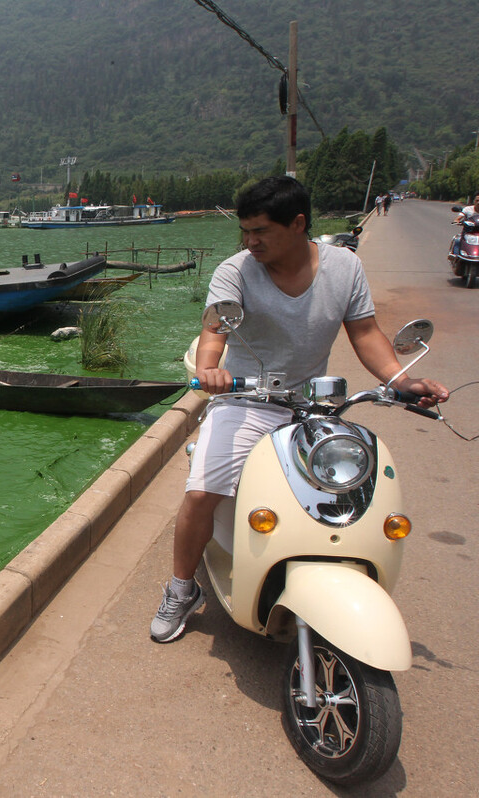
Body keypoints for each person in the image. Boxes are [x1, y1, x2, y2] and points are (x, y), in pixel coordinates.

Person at [150, 175, 449, 643]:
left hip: (313, 405)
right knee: (203, 491)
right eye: (245, 231)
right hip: (247, 400)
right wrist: (210, 370)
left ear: (298, 224)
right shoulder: (236, 271)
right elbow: (214, 332)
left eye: (260, 231)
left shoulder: (344, 268)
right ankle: (182, 587)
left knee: (345, 490)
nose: (250, 242)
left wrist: (401, 381)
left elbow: (366, 333)